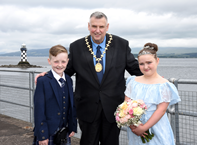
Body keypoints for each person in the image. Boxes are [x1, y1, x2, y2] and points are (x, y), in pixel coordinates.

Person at [35, 11, 142, 145]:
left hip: (113, 108)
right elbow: (66, 70)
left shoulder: (121, 44)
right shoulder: (77, 46)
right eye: (94, 26)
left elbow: (135, 69)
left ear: (107, 27)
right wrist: (48, 75)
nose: (97, 30)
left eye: (101, 27)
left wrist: (153, 76)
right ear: (88, 26)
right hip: (87, 108)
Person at [124, 43, 181, 145]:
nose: (145, 67)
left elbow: (161, 110)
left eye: (149, 62)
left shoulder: (164, 85)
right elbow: (126, 105)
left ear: (157, 61)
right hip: (136, 128)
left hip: (156, 128)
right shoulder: (132, 82)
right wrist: (132, 125)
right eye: (141, 64)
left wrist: (144, 128)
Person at [33, 45, 77, 145]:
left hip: (64, 131)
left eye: (63, 62)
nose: (60, 65)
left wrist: (72, 127)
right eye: (56, 61)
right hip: (47, 132)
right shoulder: (43, 81)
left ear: (68, 61)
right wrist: (42, 135)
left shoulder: (69, 80)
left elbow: (71, 105)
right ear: (49, 61)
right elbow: (39, 110)